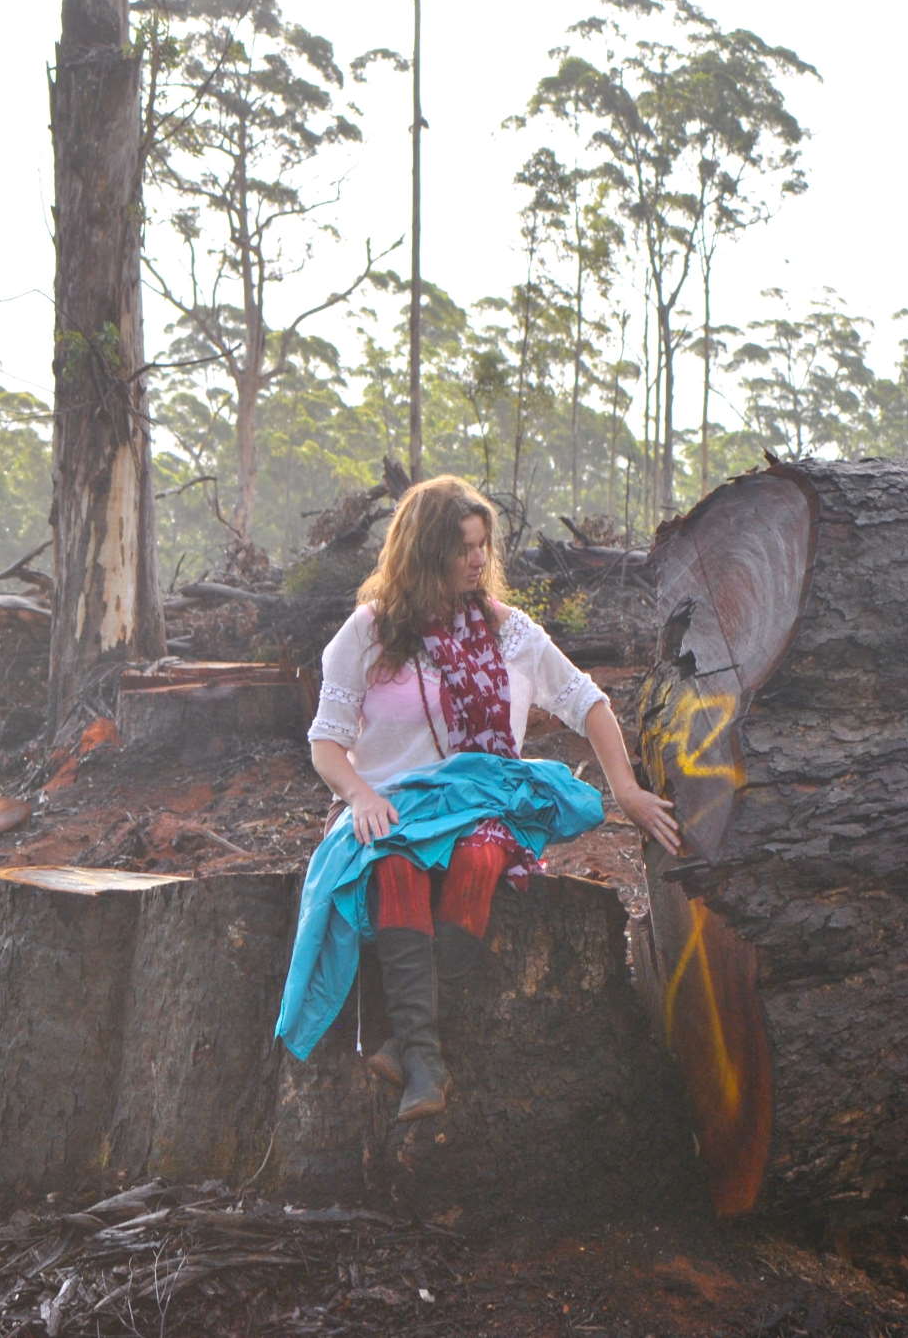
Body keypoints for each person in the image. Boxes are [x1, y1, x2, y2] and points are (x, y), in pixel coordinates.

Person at [274, 475, 681, 1123]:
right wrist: (359, 795)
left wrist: (626, 788)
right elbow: (326, 745)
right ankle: (426, 1059)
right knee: (396, 864)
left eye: (484, 546)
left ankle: (406, 1045)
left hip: (482, 805)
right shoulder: (367, 633)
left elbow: (590, 703)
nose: (478, 560)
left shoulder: (506, 631)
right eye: (463, 547)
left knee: (483, 858)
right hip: (391, 806)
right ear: (422, 551)